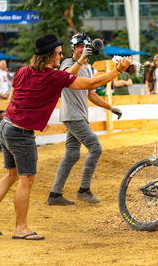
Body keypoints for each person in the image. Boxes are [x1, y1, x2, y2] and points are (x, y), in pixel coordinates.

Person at [0, 34, 131, 240]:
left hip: (7, 126)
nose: (61, 57)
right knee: (26, 179)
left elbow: (14, 97)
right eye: (59, 54)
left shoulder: (23, 70)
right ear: (50, 55)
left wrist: (79, 61)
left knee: (11, 175)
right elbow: (90, 84)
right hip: (21, 134)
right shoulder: (53, 77)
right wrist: (118, 70)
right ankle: (20, 228)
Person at [47, 32, 123, 206]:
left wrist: (110, 108)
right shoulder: (68, 63)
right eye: (80, 47)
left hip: (78, 116)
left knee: (72, 155)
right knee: (95, 147)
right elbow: (66, 76)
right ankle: (84, 190)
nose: (83, 50)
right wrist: (81, 60)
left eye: (85, 46)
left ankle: (54, 195)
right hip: (73, 117)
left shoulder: (87, 69)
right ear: (73, 48)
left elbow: (91, 94)